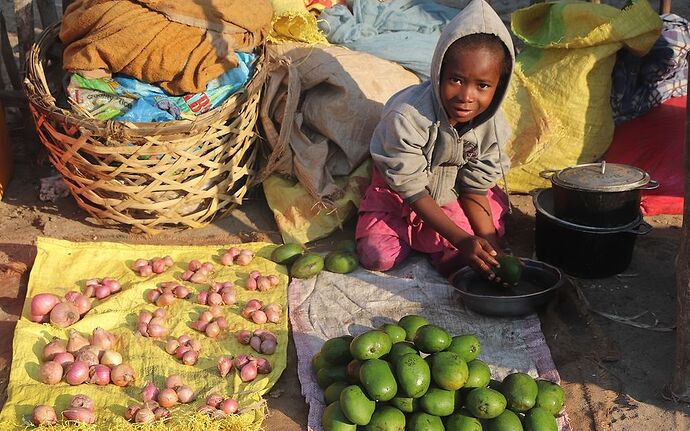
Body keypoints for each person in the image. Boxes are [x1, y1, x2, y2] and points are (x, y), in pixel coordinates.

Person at [355, 0, 515, 281]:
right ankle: (420, 237)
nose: (466, 96)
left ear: (498, 86)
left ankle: (440, 241)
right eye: (456, 80)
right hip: (400, 196)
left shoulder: (494, 128)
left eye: (482, 85)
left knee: (471, 256)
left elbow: (474, 189)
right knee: (376, 256)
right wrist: (462, 238)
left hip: (452, 194)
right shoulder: (407, 117)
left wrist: (494, 250)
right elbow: (412, 189)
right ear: (438, 72)